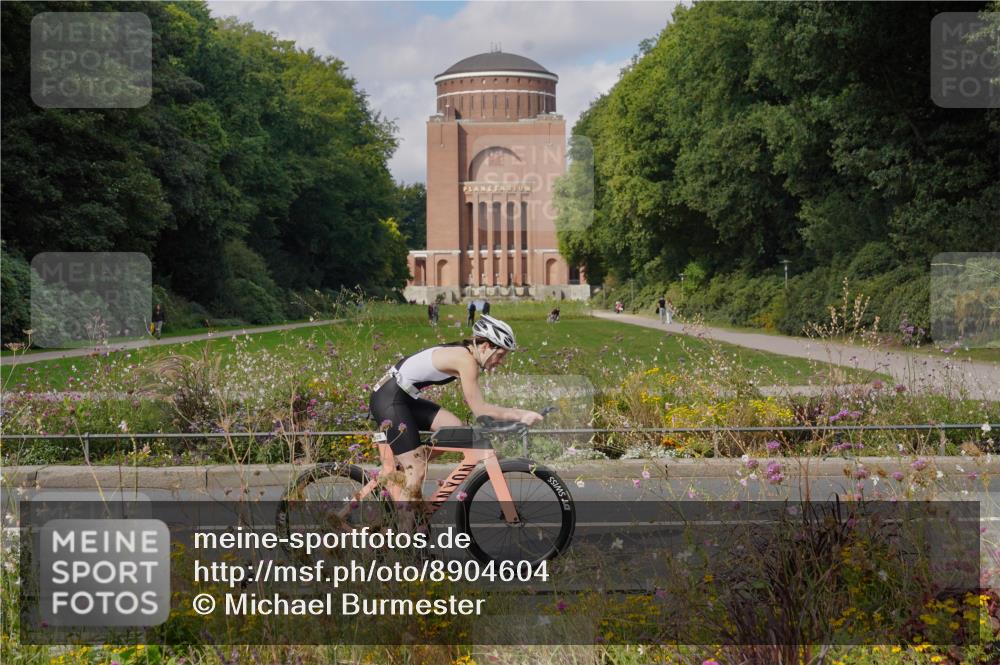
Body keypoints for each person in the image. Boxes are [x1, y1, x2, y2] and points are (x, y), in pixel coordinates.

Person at [368, 315, 543, 524]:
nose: (501, 361)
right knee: (417, 469)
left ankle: (405, 463)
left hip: (402, 399)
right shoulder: (466, 360)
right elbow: (480, 409)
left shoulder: (464, 354)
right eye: (501, 354)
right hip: (390, 400)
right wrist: (521, 414)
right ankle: (405, 541)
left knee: (455, 428)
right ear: (486, 346)